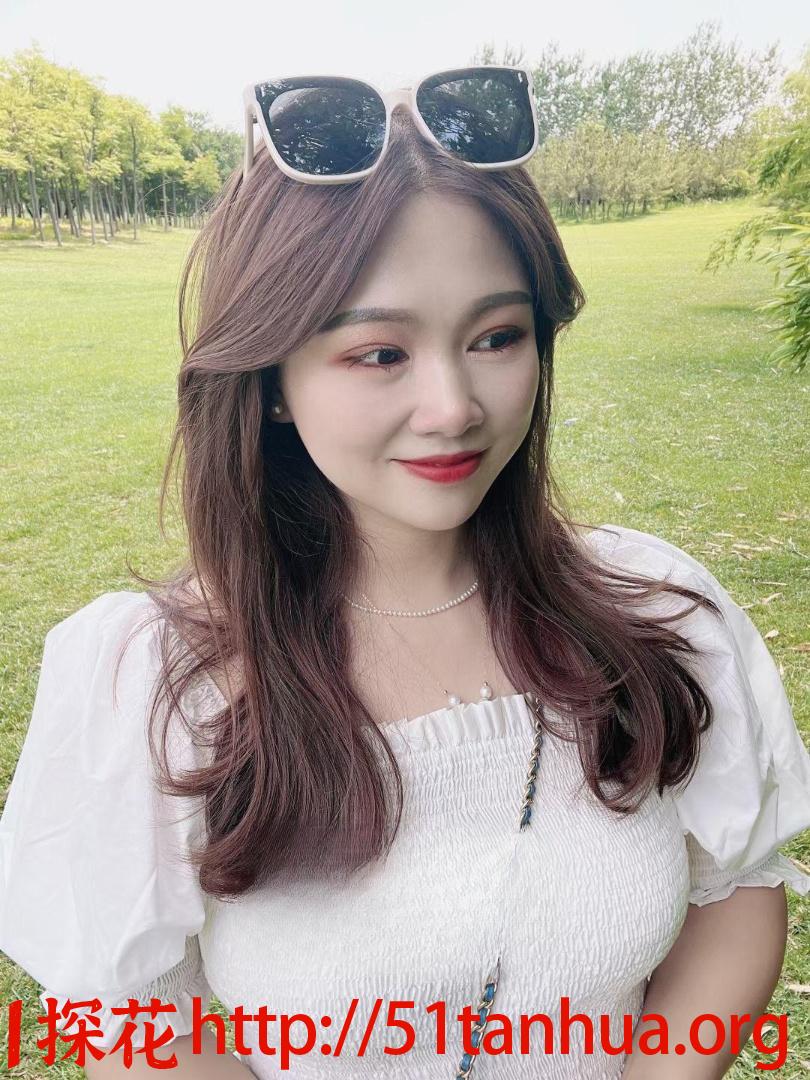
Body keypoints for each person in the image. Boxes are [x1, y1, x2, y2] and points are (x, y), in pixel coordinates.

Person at [1, 68, 810, 1080]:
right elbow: (134, 1017)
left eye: (497, 337)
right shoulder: (154, 685)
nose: (454, 405)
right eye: (380, 353)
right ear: (272, 379)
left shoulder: (656, 613)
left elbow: (735, 891)